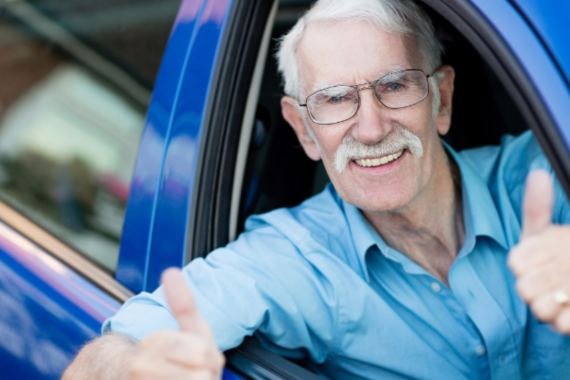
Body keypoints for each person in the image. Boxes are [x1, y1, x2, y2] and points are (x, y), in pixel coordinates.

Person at [63, 0, 570, 379]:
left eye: (394, 86)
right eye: (333, 100)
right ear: (303, 129)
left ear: (442, 100)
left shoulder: (543, 172)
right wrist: (132, 371)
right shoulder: (294, 260)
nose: (370, 128)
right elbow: (112, 353)